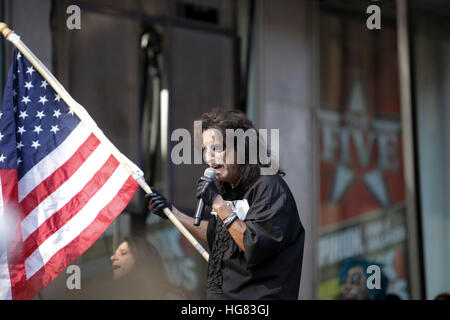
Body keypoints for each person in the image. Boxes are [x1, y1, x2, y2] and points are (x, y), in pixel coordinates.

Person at [147, 108, 305, 299]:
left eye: (217, 148)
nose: (209, 158)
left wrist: (217, 203)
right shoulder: (228, 188)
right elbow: (217, 235)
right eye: (205, 150)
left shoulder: (269, 187)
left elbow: (255, 246)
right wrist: (172, 212)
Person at [108, 236, 185, 299]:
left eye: (123, 253)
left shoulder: (169, 296)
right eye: (115, 254)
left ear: (141, 259)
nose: (112, 258)